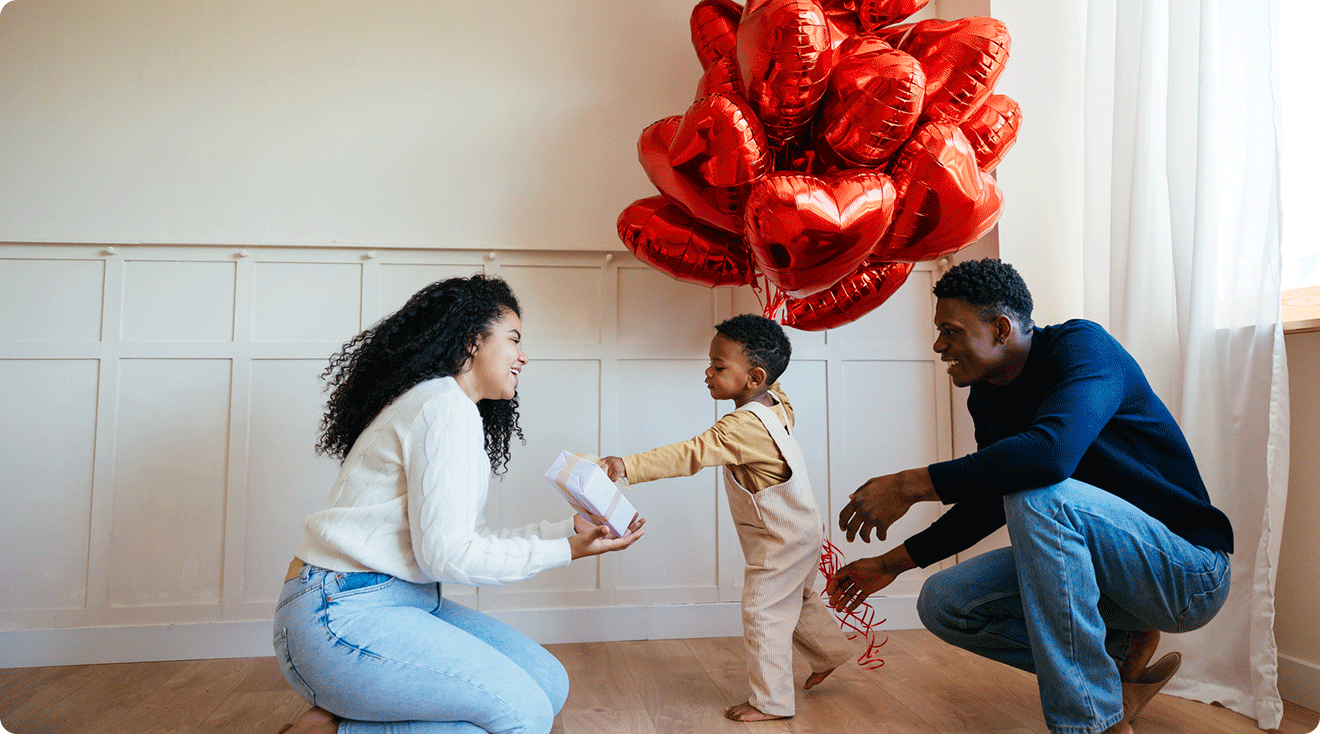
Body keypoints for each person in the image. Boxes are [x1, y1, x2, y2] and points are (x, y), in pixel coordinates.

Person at [824, 258, 1234, 734]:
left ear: (1001, 329)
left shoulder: (1083, 348)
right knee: (943, 602)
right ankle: (1118, 661)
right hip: (1104, 582)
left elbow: (1049, 456)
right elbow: (988, 501)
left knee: (1038, 497)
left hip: (1187, 573)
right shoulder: (986, 395)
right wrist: (888, 564)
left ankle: (1091, 724)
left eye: (951, 332)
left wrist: (910, 484)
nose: (938, 346)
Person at [273, 274, 645, 734]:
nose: (523, 356)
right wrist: (565, 550)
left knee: (547, 683)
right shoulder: (442, 407)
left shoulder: (447, 406)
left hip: (401, 600)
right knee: (523, 715)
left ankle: (347, 718)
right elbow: (447, 557)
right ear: (472, 341)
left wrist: (567, 532)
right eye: (514, 339)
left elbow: (462, 540)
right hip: (337, 614)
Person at [599, 314, 858, 723]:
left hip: (778, 541)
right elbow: (773, 385)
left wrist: (627, 465)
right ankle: (829, 652)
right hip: (804, 529)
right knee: (799, 598)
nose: (708, 372)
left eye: (719, 367)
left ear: (754, 377)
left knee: (763, 611)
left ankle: (771, 702)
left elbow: (691, 453)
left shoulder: (740, 427)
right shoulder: (778, 403)